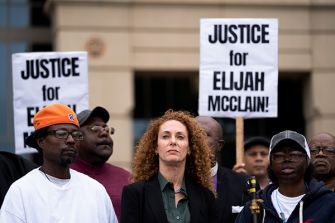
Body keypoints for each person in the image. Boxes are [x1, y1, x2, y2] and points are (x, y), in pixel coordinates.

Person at [0, 103, 118, 223]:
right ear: (41, 141)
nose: (71, 140)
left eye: (76, 135)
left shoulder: (96, 190)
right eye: (62, 134)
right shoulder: (21, 191)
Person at [121, 110, 218, 223]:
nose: (173, 141)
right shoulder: (135, 194)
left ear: (190, 148)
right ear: (156, 147)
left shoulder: (206, 197)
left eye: (180, 137)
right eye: (165, 136)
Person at [235, 130, 335, 223]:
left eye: (295, 154)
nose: (287, 159)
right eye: (279, 155)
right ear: (271, 163)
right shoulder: (254, 207)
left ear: (307, 161)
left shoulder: (329, 203)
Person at [70, 106, 130, 221]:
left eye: (106, 129)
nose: (104, 133)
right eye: (95, 128)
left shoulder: (128, 179)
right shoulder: (61, 176)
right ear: (76, 137)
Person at [196, 116, 252, 223]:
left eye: (204, 134)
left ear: (220, 145)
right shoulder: (171, 183)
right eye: (191, 134)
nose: (195, 139)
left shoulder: (243, 184)